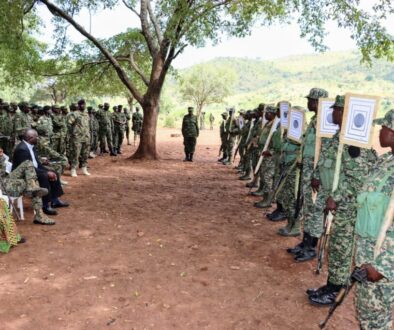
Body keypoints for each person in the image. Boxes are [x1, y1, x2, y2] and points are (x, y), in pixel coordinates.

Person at [307, 100, 377, 305]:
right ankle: (332, 284)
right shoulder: (341, 136)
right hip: (336, 203)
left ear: (346, 113)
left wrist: (336, 198)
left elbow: (358, 180)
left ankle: (336, 288)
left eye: (337, 110)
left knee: (341, 248)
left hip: (347, 206)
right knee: (335, 247)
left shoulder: (355, 143)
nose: (333, 113)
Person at [354, 109, 394, 329]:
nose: (380, 130)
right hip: (368, 253)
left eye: (384, 127)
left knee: (377, 320)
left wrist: (384, 266)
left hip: (383, 261)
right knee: (366, 313)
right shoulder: (386, 161)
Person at [12, 129, 69, 218]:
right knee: (44, 176)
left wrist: (47, 171)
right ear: (30, 138)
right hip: (23, 175)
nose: (38, 138)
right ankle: (45, 205)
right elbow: (27, 168)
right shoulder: (21, 149)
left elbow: (37, 163)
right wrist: (45, 173)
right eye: (36, 137)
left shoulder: (31, 146)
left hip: (33, 170)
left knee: (53, 172)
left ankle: (55, 200)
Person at [1, 147, 53, 225]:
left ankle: (31, 187)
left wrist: (1, 157)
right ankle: (39, 215)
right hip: (2, 185)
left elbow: (5, 169)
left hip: (6, 178)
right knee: (30, 184)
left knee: (28, 163)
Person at [67, 99, 91, 177]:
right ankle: (73, 169)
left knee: (85, 153)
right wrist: (74, 133)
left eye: (84, 104)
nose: (83, 106)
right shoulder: (75, 114)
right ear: (79, 105)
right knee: (75, 154)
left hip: (86, 137)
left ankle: (84, 168)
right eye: (82, 104)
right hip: (77, 138)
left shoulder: (86, 114)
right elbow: (69, 124)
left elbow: (87, 125)